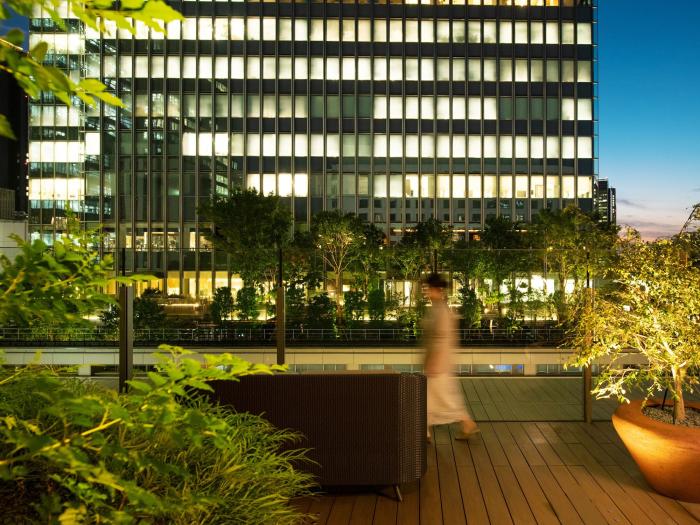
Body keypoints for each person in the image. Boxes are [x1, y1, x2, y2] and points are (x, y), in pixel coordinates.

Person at [421, 273, 479, 442]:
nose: (426, 292)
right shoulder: (438, 309)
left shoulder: (441, 311)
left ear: (436, 290)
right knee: (438, 398)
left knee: (442, 399)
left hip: (438, 364)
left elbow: (441, 338)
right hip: (438, 363)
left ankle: (466, 424)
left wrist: (433, 361)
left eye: (428, 289)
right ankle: (426, 430)